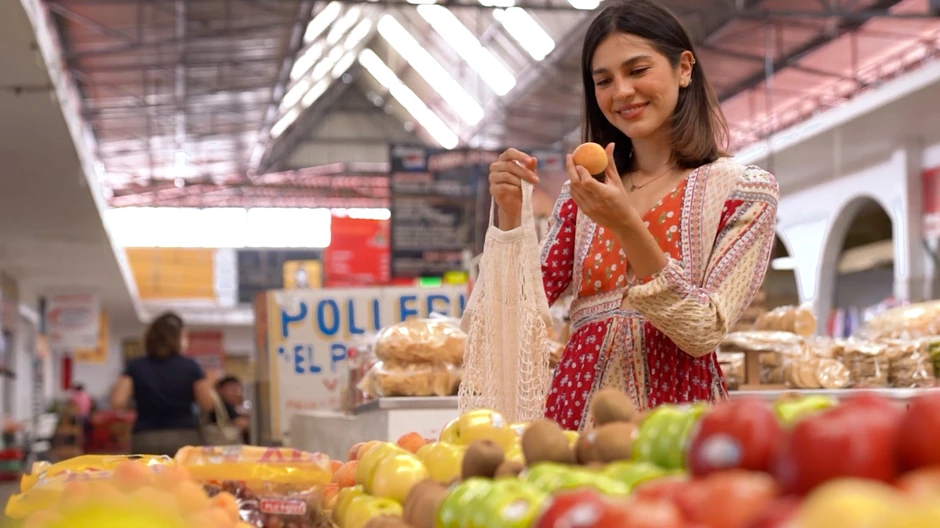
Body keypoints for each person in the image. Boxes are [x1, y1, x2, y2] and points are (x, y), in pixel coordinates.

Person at [487, 0, 778, 430]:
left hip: (678, 426)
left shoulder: (743, 190)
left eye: (637, 71)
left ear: (684, 68)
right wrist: (509, 219)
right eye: (603, 80)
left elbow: (701, 331)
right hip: (574, 423)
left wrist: (625, 224)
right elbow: (508, 318)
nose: (621, 92)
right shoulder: (581, 196)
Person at [110, 312, 215, 455]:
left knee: (146, 477)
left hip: (145, 436)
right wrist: (209, 382)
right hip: (183, 436)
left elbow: (118, 402)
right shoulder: (191, 366)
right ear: (178, 338)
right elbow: (207, 404)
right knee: (181, 477)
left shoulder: (135, 366)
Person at [207, 375, 250, 444]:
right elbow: (241, 423)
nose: (236, 393)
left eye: (237, 389)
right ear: (220, 389)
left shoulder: (228, 404)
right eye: (232, 389)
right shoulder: (221, 404)